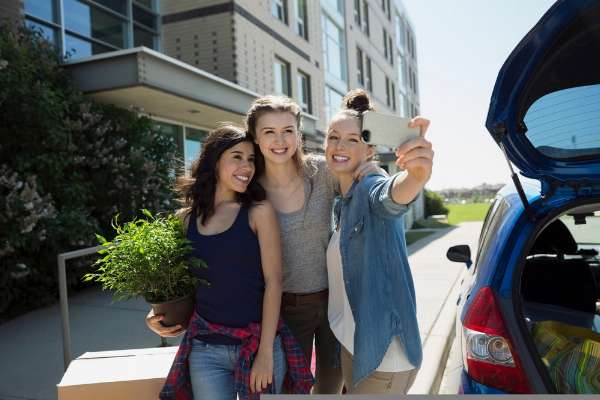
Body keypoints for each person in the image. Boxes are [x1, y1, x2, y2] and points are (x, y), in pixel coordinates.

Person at [145, 125, 312, 399]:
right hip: (206, 349)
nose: (246, 166)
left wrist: (266, 353)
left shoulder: (259, 212)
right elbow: (175, 284)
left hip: (259, 345)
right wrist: (156, 315)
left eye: (251, 160)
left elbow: (274, 282)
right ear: (215, 160)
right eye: (237, 156)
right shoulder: (184, 220)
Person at [244, 96, 381, 393]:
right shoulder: (250, 191)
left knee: (330, 389)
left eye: (288, 130)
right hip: (285, 311)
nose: (280, 140)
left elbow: (364, 182)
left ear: (299, 134)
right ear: (256, 137)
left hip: (336, 302)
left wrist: (374, 171)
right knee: (291, 391)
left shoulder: (321, 172)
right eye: (269, 132)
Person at [324, 89, 433, 394]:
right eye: (333, 137)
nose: (339, 146)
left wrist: (417, 175)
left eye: (352, 139)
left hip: (383, 358)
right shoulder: (342, 200)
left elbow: (390, 197)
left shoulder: (371, 186)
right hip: (352, 344)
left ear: (369, 150)